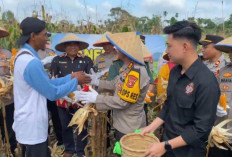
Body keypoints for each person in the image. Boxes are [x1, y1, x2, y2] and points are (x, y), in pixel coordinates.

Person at [13, 17, 91, 157]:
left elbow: (46, 84)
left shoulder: (24, 57)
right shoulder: (31, 62)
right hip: (32, 126)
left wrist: (70, 77)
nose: (47, 39)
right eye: (44, 35)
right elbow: (52, 93)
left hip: (28, 124)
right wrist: (75, 82)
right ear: (33, 36)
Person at [141, 21, 220, 157]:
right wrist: (152, 127)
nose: (167, 51)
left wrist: (166, 145)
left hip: (188, 151)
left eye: (169, 46)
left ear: (185, 46)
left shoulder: (206, 81)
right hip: (167, 145)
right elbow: (168, 105)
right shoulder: (175, 72)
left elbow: (201, 129)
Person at [79, 32, 150, 142]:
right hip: (121, 123)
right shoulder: (127, 67)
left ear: (125, 51)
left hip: (129, 127)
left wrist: (97, 98)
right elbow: (114, 84)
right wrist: (97, 81)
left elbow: (122, 102)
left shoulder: (136, 71)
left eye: (117, 47)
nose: (114, 48)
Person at [51, 33, 93, 157]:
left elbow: (91, 78)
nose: (72, 47)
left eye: (75, 44)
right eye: (69, 45)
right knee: (65, 125)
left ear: (79, 46)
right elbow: (53, 79)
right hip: (63, 99)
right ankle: (69, 149)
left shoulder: (86, 59)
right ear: (64, 47)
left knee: (82, 126)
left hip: (82, 99)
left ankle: (81, 151)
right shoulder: (57, 60)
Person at [208, 36, 232, 157]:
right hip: (221, 135)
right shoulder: (222, 72)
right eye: (229, 52)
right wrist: (215, 104)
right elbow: (214, 94)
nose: (230, 55)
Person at [0, 26, 17, 155]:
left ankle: (11, 150)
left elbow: (14, 73)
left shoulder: (8, 54)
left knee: (9, 129)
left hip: (8, 100)